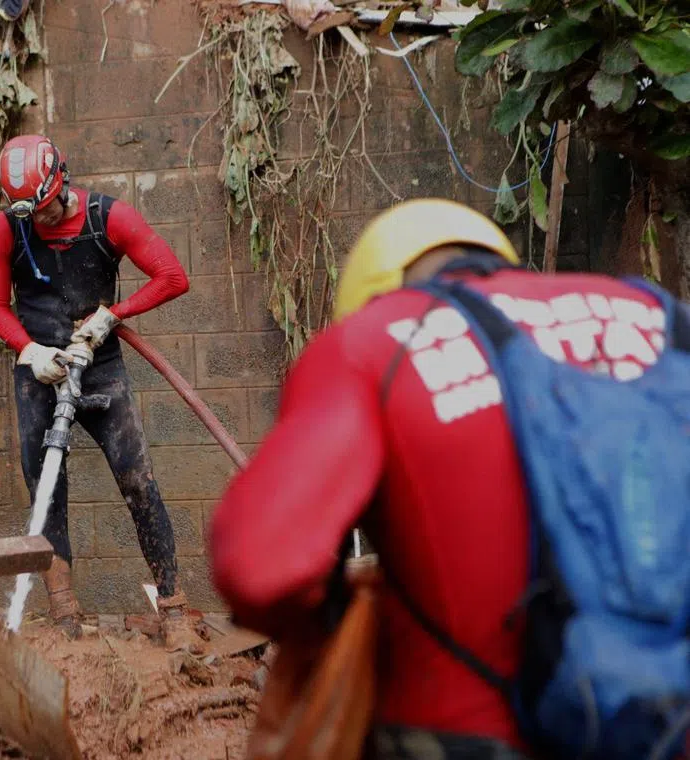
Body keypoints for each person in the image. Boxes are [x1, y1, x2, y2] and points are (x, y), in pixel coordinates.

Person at [206, 199, 686, 759]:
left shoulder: (375, 339)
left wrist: (335, 623)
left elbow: (259, 566)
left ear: (375, 293)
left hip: (464, 731)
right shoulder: (662, 315)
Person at [0, 134, 203, 652]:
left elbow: (173, 276)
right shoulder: (4, 229)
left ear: (61, 183)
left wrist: (112, 316)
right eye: (26, 217)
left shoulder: (111, 218)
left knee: (137, 478)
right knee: (46, 489)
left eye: (43, 211)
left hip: (99, 364)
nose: (36, 223)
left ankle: (172, 606)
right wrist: (30, 351)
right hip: (40, 370)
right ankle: (65, 616)